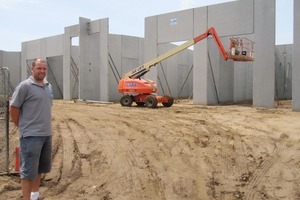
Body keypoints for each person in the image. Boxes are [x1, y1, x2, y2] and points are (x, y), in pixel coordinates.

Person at [10, 58, 53, 200]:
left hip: (46, 135)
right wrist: (22, 127)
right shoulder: (25, 86)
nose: (42, 71)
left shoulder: (48, 86)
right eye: (39, 68)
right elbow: (14, 108)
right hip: (30, 136)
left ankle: (35, 196)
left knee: (39, 168)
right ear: (32, 69)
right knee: (28, 172)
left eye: (44, 69)